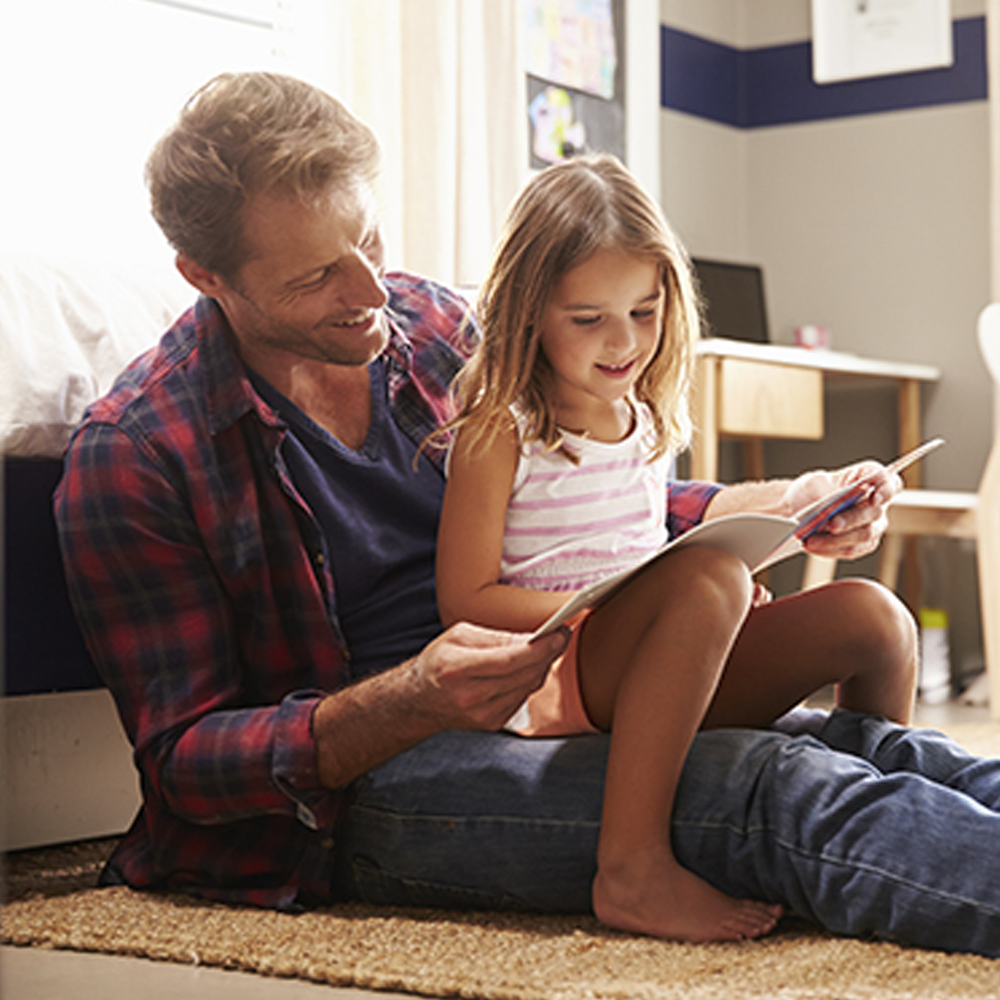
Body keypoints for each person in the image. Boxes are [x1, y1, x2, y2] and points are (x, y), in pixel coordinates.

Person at [53, 71, 1000, 958]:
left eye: (370, 243)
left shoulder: (427, 330)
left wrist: (773, 509)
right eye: (315, 280)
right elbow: (182, 764)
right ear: (204, 276)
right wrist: (406, 699)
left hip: (565, 674)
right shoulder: (138, 457)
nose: (371, 292)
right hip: (378, 780)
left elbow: (584, 511)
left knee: (877, 749)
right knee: (773, 786)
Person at [435, 153, 915, 943]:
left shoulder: (648, 420)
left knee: (875, 618)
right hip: (561, 673)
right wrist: (635, 603)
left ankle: (875, 817)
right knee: (704, 582)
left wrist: (791, 526)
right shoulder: (500, 430)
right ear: (528, 313)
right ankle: (629, 868)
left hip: (657, 659)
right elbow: (465, 601)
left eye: (646, 312)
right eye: (589, 319)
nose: (624, 343)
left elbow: (652, 544)